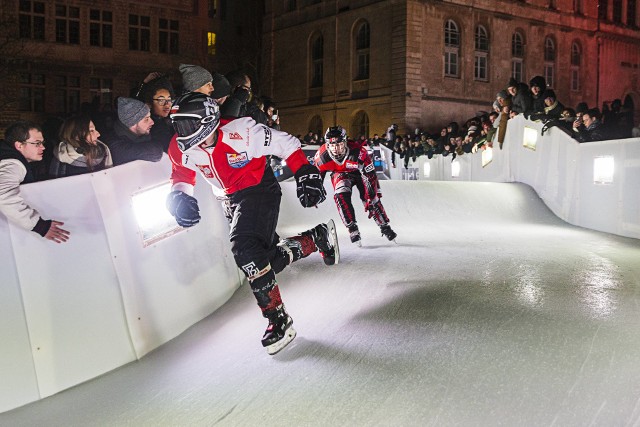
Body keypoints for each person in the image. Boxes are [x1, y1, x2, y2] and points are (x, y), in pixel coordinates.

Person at [165, 92, 338, 355]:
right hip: (228, 200)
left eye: (187, 124)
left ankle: (278, 320)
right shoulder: (178, 147)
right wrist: (178, 196)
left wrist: (304, 171)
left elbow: (286, 144)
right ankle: (316, 238)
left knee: (244, 249)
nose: (181, 132)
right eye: (177, 125)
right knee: (262, 260)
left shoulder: (243, 131)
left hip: (259, 189)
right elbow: (182, 172)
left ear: (208, 120)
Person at [313, 126, 397, 246]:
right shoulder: (321, 156)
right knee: (340, 196)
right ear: (327, 145)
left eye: (339, 144)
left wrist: (370, 197)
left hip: (361, 173)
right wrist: (316, 192)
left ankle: (384, 226)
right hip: (340, 174)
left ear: (345, 142)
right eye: (332, 145)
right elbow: (317, 177)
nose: (336, 148)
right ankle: (352, 228)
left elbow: (371, 177)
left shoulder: (359, 152)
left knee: (371, 199)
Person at [0, 121, 70, 243]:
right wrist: (38, 225)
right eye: (37, 143)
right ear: (19, 145)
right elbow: (3, 195)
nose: (43, 147)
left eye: (42, 143)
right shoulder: (12, 164)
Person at [101, 97, 163, 165]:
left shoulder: (146, 132)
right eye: (146, 119)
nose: (152, 122)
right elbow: (155, 152)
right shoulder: (113, 142)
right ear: (132, 123)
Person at [49, 114, 113, 178]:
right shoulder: (62, 162)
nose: (98, 134)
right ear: (76, 135)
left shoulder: (102, 152)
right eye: (91, 130)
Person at [140, 75, 175, 152]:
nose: (167, 104)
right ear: (149, 103)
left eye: (169, 100)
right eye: (161, 100)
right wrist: (143, 84)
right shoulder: (148, 126)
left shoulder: (172, 121)